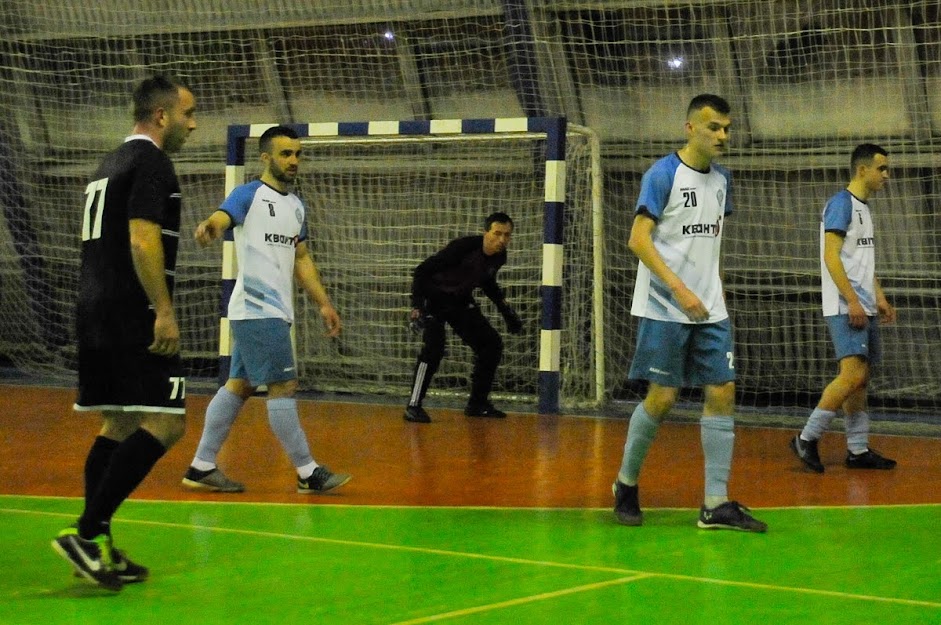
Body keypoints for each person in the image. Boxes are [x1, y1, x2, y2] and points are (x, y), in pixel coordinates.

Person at [51, 76, 197, 591]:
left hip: (93, 309)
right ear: (161, 116)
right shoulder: (152, 162)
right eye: (187, 114)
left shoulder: (109, 162)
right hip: (132, 312)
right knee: (168, 422)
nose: (193, 124)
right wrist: (163, 308)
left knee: (117, 424)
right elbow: (141, 237)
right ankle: (87, 533)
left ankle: (100, 542)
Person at [612, 94, 766, 532]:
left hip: (709, 307)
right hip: (665, 305)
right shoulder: (662, 175)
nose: (723, 135)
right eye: (714, 127)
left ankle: (715, 503)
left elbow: (705, 244)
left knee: (722, 390)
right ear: (690, 127)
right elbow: (638, 241)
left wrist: (707, 290)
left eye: (726, 128)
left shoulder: (722, 181)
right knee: (662, 397)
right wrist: (679, 289)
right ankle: (625, 483)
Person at [181, 125, 351, 495]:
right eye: (286, 153)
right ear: (266, 158)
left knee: (239, 386)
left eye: (297, 154)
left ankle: (201, 466)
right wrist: (210, 226)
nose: (293, 160)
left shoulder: (295, 206)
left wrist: (323, 303)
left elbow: (301, 257)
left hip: (270, 312)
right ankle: (308, 472)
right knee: (283, 386)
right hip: (259, 310)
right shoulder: (249, 195)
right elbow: (224, 217)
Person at [790, 144, 897, 473]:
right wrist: (851, 299)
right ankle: (806, 438)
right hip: (844, 304)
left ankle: (857, 449)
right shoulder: (841, 204)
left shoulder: (865, 209)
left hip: (862, 304)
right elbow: (831, 257)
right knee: (851, 375)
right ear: (862, 170)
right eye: (881, 169)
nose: (886, 175)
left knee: (861, 379)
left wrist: (877, 296)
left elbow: (862, 262)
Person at [403, 213, 522, 423]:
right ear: (486, 233)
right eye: (497, 234)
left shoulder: (499, 256)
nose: (502, 240)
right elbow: (421, 272)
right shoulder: (463, 248)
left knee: (491, 345)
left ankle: (477, 404)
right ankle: (413, 405)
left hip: (459, 301)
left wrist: (506, 313)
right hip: (434, 298)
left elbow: (488, 283)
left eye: (507, 235)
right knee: (434, 349)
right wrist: (417, 307)